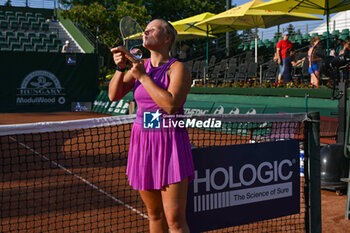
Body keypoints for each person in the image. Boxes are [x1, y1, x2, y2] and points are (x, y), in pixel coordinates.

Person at [109, 19, 193, 233]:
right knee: (154, 215)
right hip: (143, 142)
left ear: (167, 38)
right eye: (144, 29)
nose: (145, 32)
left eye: (152, 29)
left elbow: (171, 105)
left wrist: (144, 78)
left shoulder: (177, 68)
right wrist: (120, 68)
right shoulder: (140, 66)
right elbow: (113, 95)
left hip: (170, 142)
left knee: (174, 219)